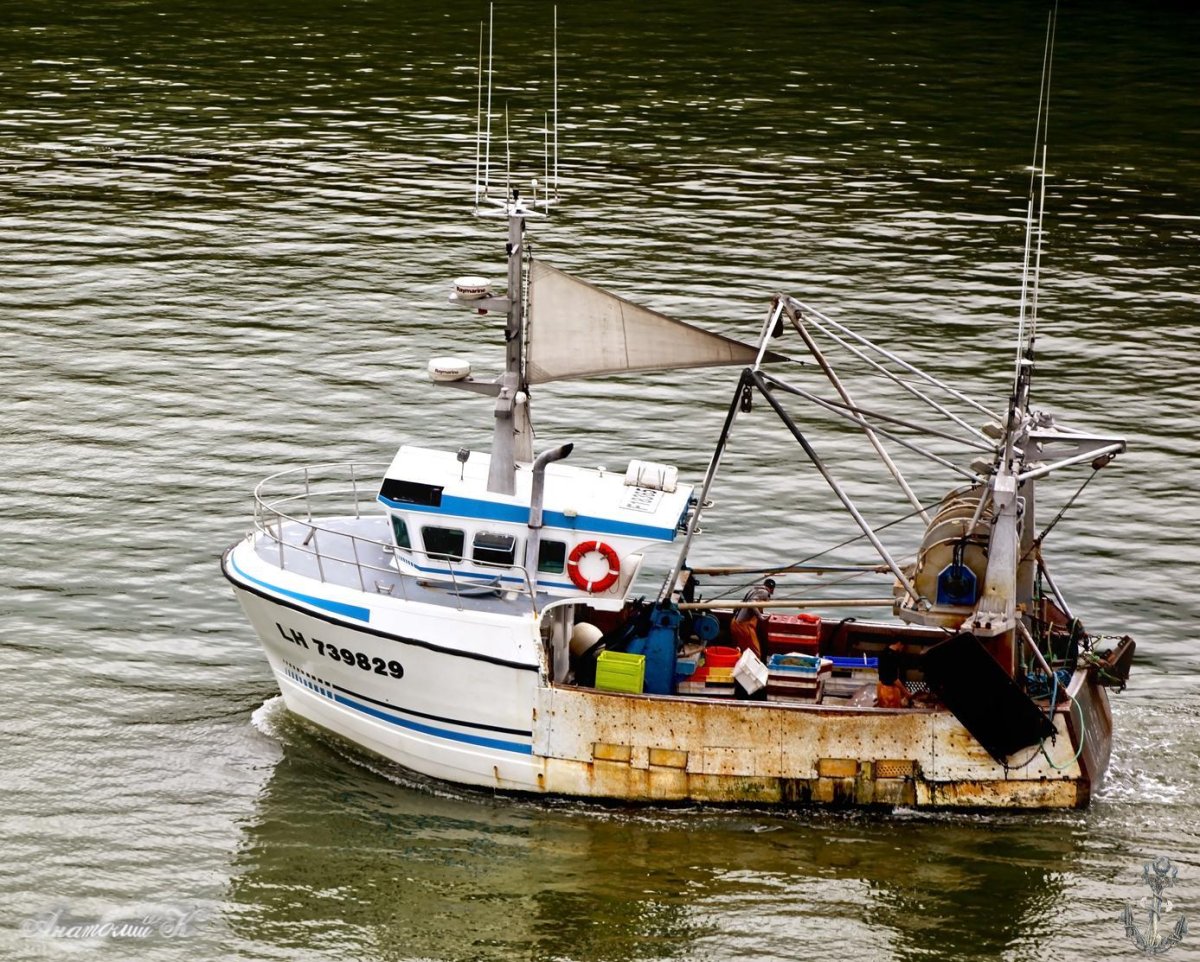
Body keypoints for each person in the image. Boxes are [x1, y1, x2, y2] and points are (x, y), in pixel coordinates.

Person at [729, 578, 775, 657]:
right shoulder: (765, 592)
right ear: (772, 589)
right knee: (756, 654)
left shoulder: (753, 590)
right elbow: (752, 602)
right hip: (744, 625)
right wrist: (760, 617)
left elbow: (741, 604)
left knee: (740, 650)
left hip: (734, 623)